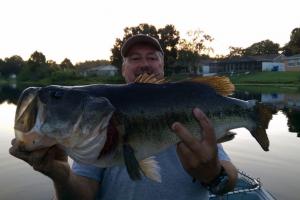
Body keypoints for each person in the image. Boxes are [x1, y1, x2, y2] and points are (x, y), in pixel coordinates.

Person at [10, 34, 238, 200]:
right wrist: (60, 175)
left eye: (152, 57)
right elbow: (83, 195)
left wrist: (213, 174)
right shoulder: (95, 125)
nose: (144, 64)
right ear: (123, 68)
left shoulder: (191, 108)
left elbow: (229, 180)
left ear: (162, 65)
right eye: (135, 58)